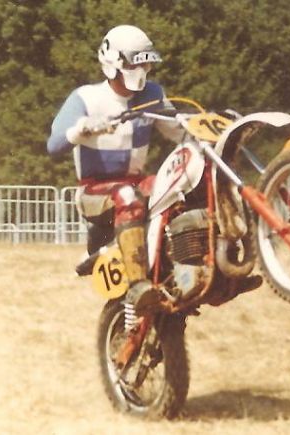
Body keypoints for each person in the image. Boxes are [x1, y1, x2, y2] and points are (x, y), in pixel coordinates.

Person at [46, 25, 189, 314]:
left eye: (146, 63)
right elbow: (54, 144)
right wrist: (82, 129)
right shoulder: (86, 98)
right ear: (113, 63)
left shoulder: (153, 93)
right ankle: (138, 285)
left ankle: (193, 267)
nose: (142, 70)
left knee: (176, 185)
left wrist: (212, 128)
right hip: (94, 190)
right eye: (136, 63)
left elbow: (178, 130)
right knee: (126, 194)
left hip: (136, 183)